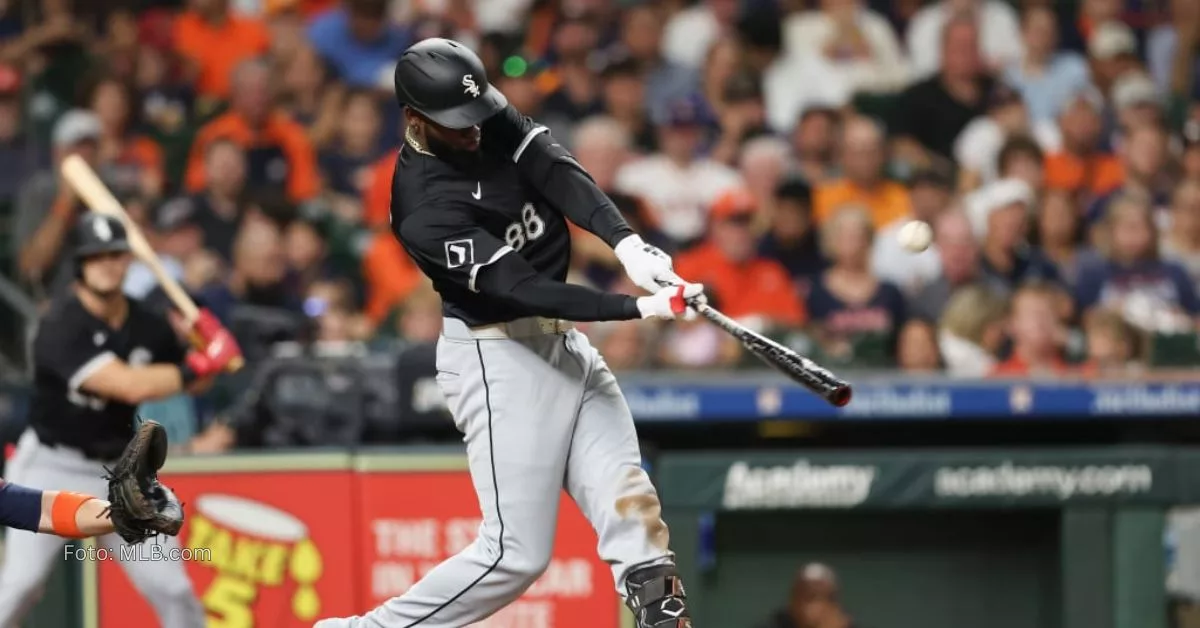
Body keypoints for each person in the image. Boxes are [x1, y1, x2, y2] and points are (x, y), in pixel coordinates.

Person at [313, 38, 698, 628]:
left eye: (476, 114)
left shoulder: (478, 113)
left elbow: (552, 166)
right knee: (513, 556)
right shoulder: (422, 205)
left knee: (633, 512)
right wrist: (637, 309)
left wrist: (625, 242)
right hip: (498, 357)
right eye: (456, 124)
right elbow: (520, 288)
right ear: (416, 120)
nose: (474, 130)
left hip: (561, 342)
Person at [0, 213, 243, 627]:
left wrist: (207, 344)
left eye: (115, 254)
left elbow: (191, 380)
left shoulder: (147, 323)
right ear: (79, 263)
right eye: (96, 256)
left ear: (129, 259)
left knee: (173, 589)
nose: (107, 264)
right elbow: (127, 385)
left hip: (120, 472)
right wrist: (199, 367)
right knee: (20, 586)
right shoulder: (59, 324)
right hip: (48, 464)